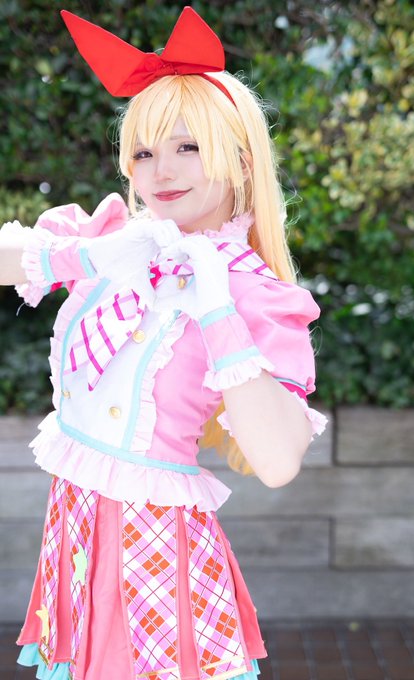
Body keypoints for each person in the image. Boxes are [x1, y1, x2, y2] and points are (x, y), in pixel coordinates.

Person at [0, 7, 327, 680]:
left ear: (240, 162)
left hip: (157, 555)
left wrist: (216, 310)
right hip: (77, 534)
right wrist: (84, 257)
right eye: (144, 153)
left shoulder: (254, 295)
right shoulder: (120, 239)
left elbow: (277, 461)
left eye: (188, 147)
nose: (161, 172)